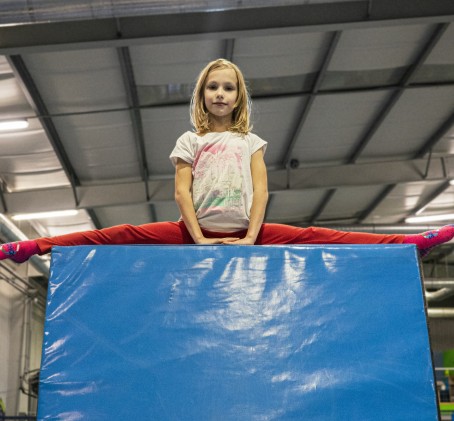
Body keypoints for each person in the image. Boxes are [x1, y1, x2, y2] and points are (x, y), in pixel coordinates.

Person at [1, 58, 453, 264]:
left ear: (239, 97)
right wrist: (197, 239)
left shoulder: (251, 141)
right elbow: (181, 192)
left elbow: (261, 191)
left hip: (246, 232)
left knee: (319, 235)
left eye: (229, 88)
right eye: (213, 87)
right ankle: (29, 246)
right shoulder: (188, 140)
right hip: (191, 231)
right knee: (116, 234)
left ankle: (412, 242)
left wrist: (252, 237)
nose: (220, 94)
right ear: (202, 95)